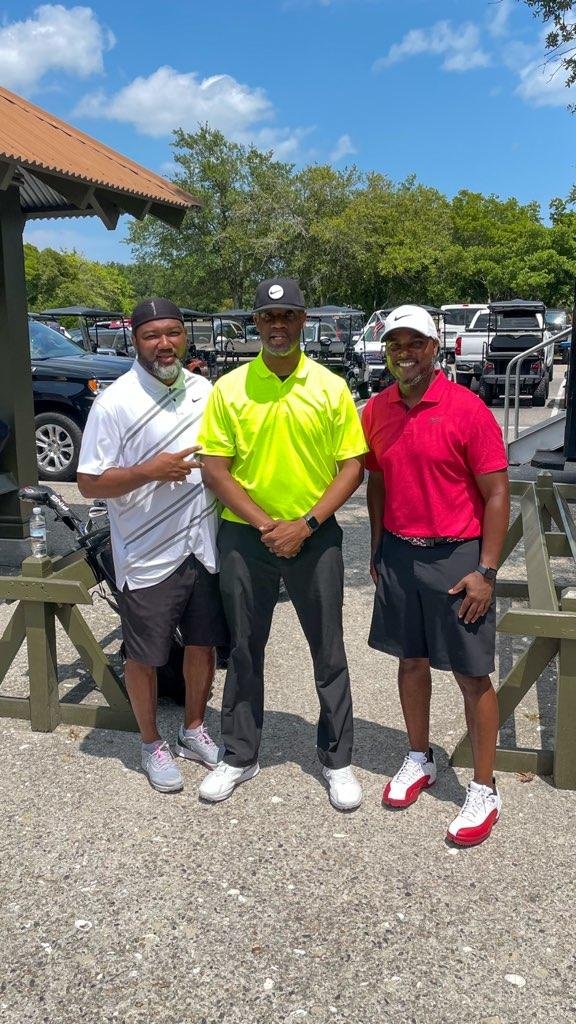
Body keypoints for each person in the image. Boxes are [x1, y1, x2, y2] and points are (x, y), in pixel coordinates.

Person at [196, 277, 367, 810]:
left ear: (302, 320)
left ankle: (337, 759)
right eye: (268, 317)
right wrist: (269, 525)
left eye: (287, 316)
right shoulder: (229, 388)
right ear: (256, 322)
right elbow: (214, 469)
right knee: (244, 648)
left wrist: (306, 524)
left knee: (329, 650)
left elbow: (353, 467)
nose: (277, 326)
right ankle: (239, 754)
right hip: (247, 537)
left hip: (316, 535)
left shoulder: (330, 386)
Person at [362, 304, 509, 846]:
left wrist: (486, 570)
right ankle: (419, 756)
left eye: (415, 343)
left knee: (472, 675)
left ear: (434, 347)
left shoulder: (467, 409)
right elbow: (377, 481)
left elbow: (497, 493)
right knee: (411, 660)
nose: (404, 353)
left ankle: (485, 788)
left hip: (457, 558)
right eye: (395, 343)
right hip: (401, 553)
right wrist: (377, 547)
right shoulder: (377, 409)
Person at [77, 298, 229, 793]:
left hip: (202, 544)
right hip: (147, 551)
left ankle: (192, 728)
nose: (164, 344)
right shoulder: (115, 402)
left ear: (184, 336)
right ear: (136, 341)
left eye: (172, 333)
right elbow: (88, 482)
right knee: (144, 655)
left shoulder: (204, 391)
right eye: (151, 335)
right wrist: (149, 471)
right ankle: (150, 743)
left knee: (203, 644)